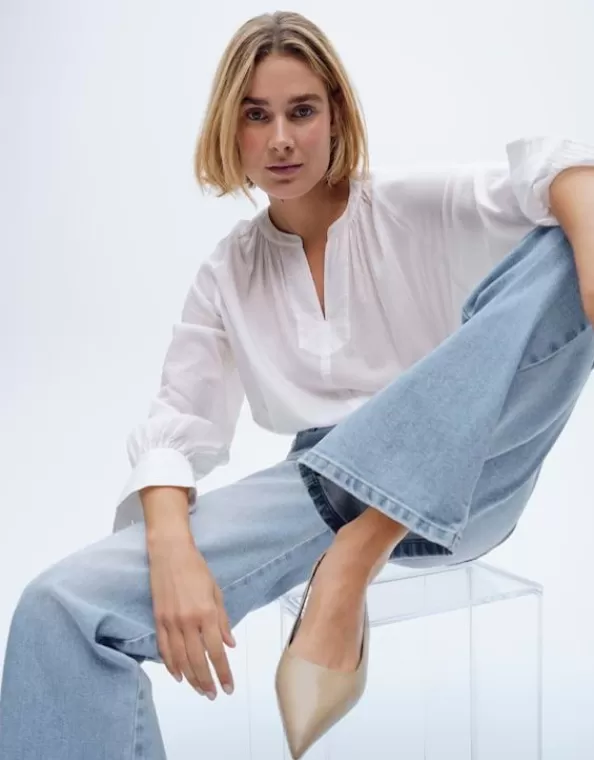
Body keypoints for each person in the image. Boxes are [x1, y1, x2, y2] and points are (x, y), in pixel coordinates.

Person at [2, 9, 594, 760]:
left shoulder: (410, 205)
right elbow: (178, 421)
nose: (280, 138)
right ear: (232, 131)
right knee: (57, 610)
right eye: (257, 115)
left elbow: (559, 168)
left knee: (562, 243)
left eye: (302, 111)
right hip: (317, 482)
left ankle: (357, 554)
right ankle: (353, 536)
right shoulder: (228, 273)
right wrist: (172, 548)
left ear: (335, 117)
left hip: (473, 475)